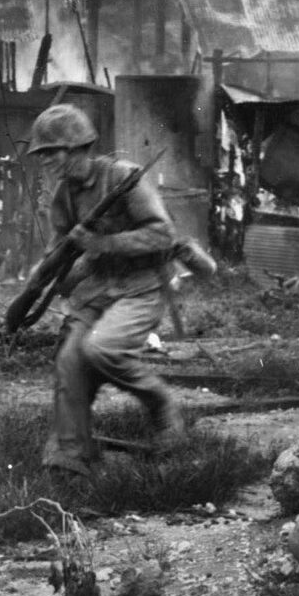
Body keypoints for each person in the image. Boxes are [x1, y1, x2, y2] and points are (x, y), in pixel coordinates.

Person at [24, 104, 186, 481]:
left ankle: (159, 403)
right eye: (42, 153)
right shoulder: (63, 198)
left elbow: (163, 234)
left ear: (78, 147)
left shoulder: (122, 177)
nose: (45, 160)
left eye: (52, 151)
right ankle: (72, 457)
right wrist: (41, 279)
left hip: (141, 287)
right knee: (70, 361)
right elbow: (57, 253)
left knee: (104, 348)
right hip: (97, 289)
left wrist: (102, 243)